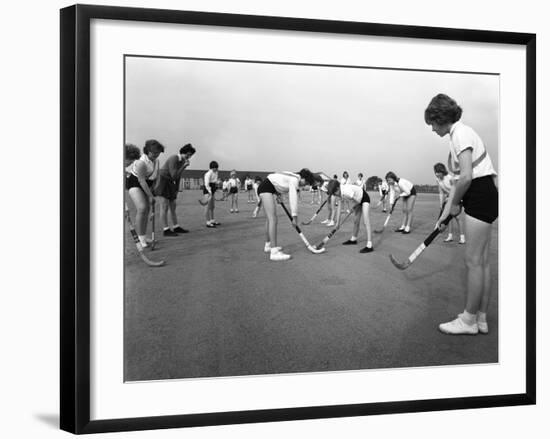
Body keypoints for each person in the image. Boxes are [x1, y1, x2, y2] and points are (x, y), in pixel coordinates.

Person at [425, 93, 498, 335]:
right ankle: (480, 318)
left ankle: (467, 321)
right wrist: (445, 216)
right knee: (482, 262)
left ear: (440, 117)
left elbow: (466, 176)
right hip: (482, 192)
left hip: (479, 192)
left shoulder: (460, 134)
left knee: (473, 262)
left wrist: (455, 204)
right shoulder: (460, 135)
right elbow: (457, 185)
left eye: (432, 123)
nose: (432, 129)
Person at [257, 169, 323, 261]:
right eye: (306, 182)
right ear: (303, 178)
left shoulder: (293, 176)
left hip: (267, 187)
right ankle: (274, 252)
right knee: (273, 219)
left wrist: (277, 193)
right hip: (266, 188)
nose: (305, 185)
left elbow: (276, 179)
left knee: (269, 219)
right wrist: (294, 217)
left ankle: (268, 245)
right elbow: (293, 198)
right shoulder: (295, 180)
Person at [125, 139, 165, 247]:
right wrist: (151, 196)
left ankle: (143, 237)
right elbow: (141, 181)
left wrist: (154, 189)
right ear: (147, 151)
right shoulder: (141, 163)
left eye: (158, 153)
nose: (156, 155)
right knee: (142, 208)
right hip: (135, 184)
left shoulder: (156, 161)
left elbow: (156, 176)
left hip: (147, 185)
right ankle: (140, 239)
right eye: (154, 152)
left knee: (147, 210)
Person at [155, 143, 196, 236]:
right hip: (162, 180)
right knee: (164, 206)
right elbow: (174, 175)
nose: (189, 157)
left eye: (190, 156)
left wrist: (176, 189)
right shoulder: (174, 158)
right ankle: (166, 230)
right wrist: (184, 166)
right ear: (182, 152)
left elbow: (178, 177)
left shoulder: (182, 161)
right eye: (188, 155)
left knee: (173, 206)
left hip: (170, 182)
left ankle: (176, 226)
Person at [327, 179, 374, 253]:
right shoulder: (339, 192)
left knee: (366, 221)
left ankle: (369, 245)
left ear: (337, 188)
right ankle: (353, 239)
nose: (334, 195)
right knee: (356, 221)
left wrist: (353, 207)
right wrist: (337, 223)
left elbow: (358, 200)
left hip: (364, 198)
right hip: (358, 199)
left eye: (334, 193)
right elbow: (339, 207)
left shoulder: (346, 191)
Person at [434, 162, 465, 244]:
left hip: (457, 197)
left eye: (438, 172)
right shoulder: (438, 180)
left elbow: (455, 189)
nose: (436, 174)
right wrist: (441, 203)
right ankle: (450, 236)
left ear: (442, 171)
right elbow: (441, 192)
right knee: (449, 218)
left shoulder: (450, 178)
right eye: (435, 172)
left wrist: (450, 199)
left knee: (457, 218)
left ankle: (462, 237)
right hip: (448, 199)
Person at [203, 161, 220, 228]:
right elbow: (207, 184)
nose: (217, 169)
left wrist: (216, 189)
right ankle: (208, 222)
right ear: (212, 167)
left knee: (212, 206)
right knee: (207, 207)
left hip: (212, 189)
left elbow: (215, 182)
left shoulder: (216, 173)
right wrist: (210, 192)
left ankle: (212, 220)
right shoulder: (208, 174)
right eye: (216, 168)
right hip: (207, 190)